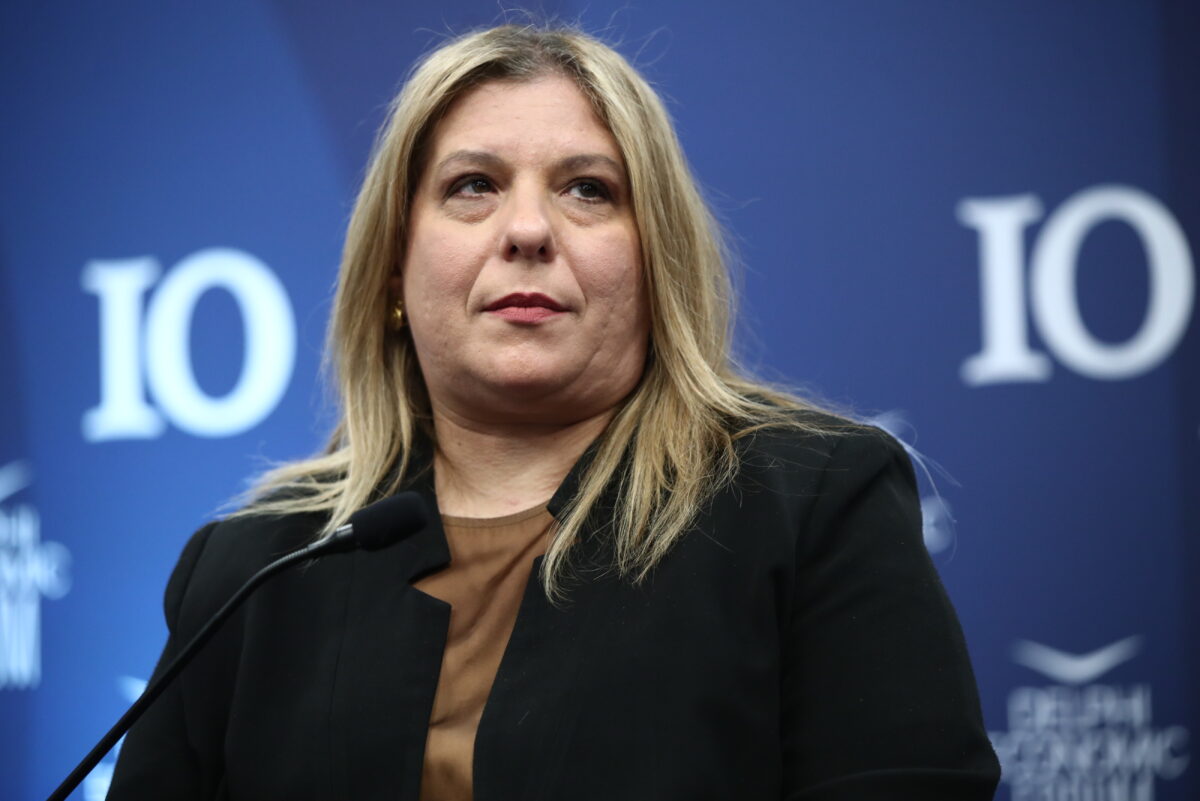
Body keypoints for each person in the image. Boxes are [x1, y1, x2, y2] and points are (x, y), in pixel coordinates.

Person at [108, 23, 1000, 801]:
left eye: (588, 189)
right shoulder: (253, 569)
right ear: (394, 268)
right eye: (473, 185)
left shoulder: (811, 505)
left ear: (657, 262)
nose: (528, 230)